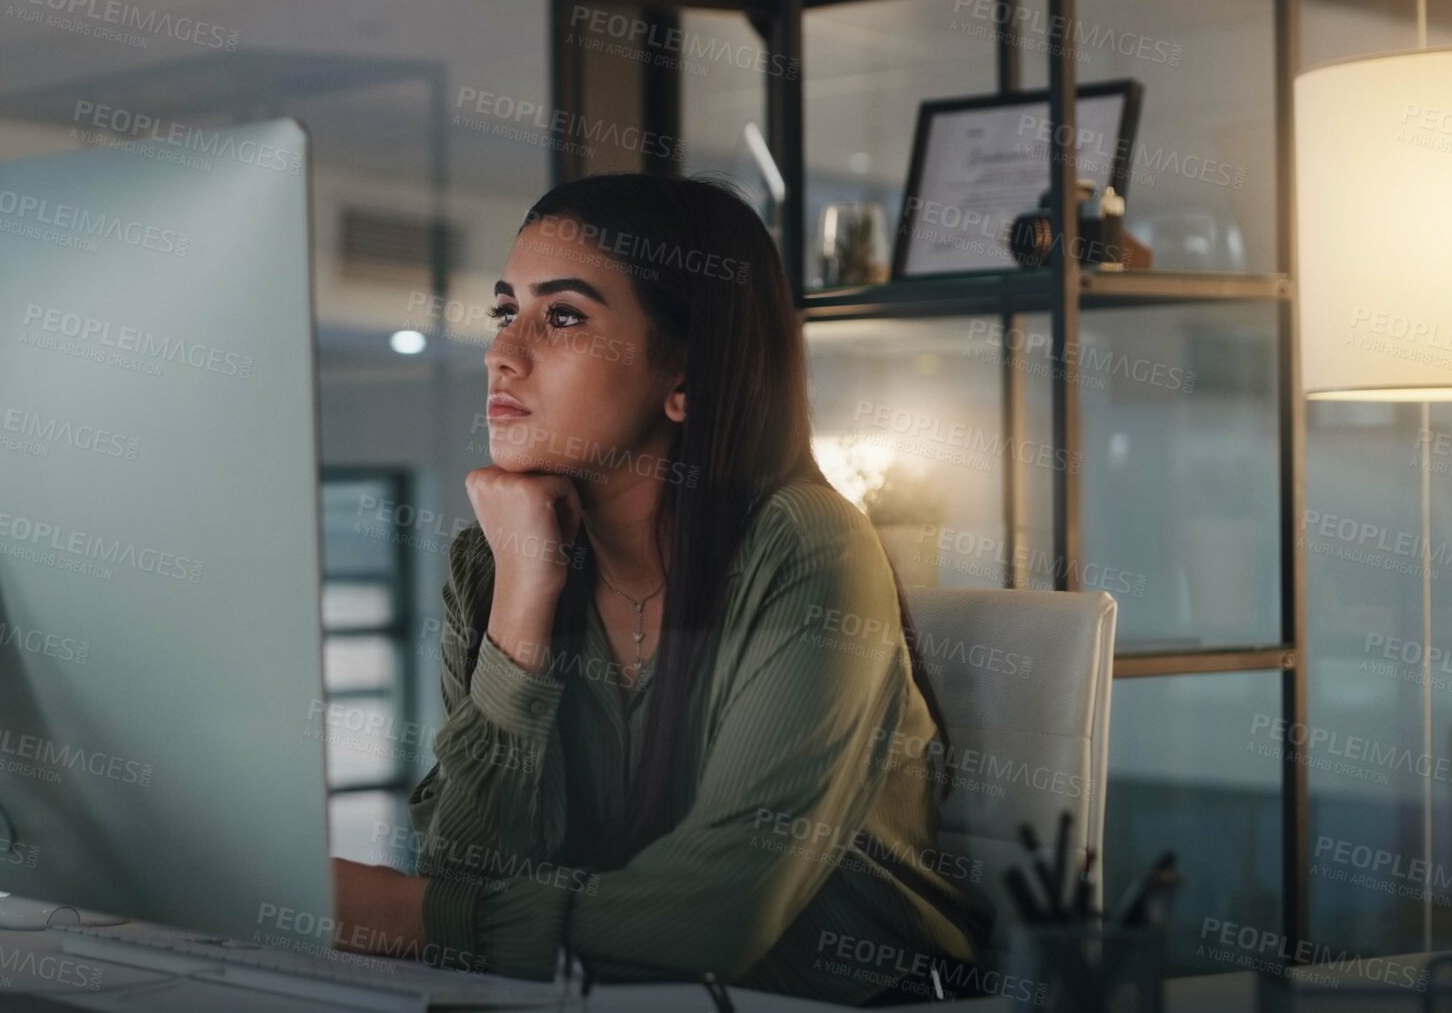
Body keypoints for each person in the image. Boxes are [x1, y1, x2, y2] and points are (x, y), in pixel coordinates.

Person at [333, 173, 991, 1006]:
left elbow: (714, 920)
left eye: (563, 315)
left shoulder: (806, 544)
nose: (504, 350)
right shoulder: (494, 558)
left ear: (686, 373)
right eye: (506, 311)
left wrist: (405, 914)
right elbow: (473, 872)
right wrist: (524, 601)